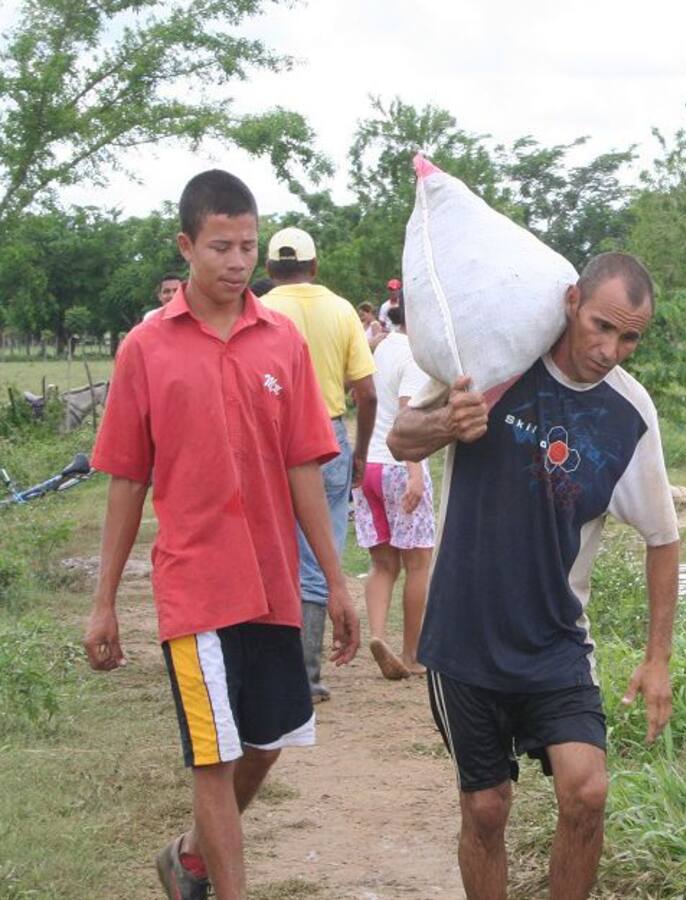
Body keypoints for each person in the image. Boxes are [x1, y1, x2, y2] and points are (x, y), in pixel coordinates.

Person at [83, 169, 361, 900]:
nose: (238, 262)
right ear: (187, 246)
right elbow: (125, 481)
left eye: (248, 246)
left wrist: (335, 580)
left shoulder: (282, 342)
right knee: (213, 753)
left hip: (271, 581)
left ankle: (191, 858)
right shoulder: (146, 350)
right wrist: (104, 601)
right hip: (195, 586)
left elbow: (305, 464)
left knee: (267, 743)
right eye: (221, 247)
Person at [389, 252, 681, 900]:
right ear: (572, 301)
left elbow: (663, 539)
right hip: (464, 634)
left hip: (555, 638)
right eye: (602, 326)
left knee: (588, 791)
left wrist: (657, 658)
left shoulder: (628, 414)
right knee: (487, 807)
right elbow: (402, 439)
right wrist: (448, 423)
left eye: (629, 337)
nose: (610, 350)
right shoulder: (500, 363)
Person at [261, 226, 378, 703]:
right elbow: (366, 392)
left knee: (270, 552)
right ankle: (304, 676)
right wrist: (361, 450)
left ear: (268, 269)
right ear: (315, 266)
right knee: (318, 555)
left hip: (268, 439)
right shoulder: (342, 310)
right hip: (326, 436)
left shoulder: (261, 309)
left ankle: (268, 666)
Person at [352, 303, 435, 679]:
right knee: (418, 564)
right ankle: (412, 653)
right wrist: (416, 472)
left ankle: (378, 636)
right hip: (399, 465)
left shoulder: (383, 347)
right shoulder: (416, 358)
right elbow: (407, 418)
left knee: (383, 564)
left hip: (368, 465)